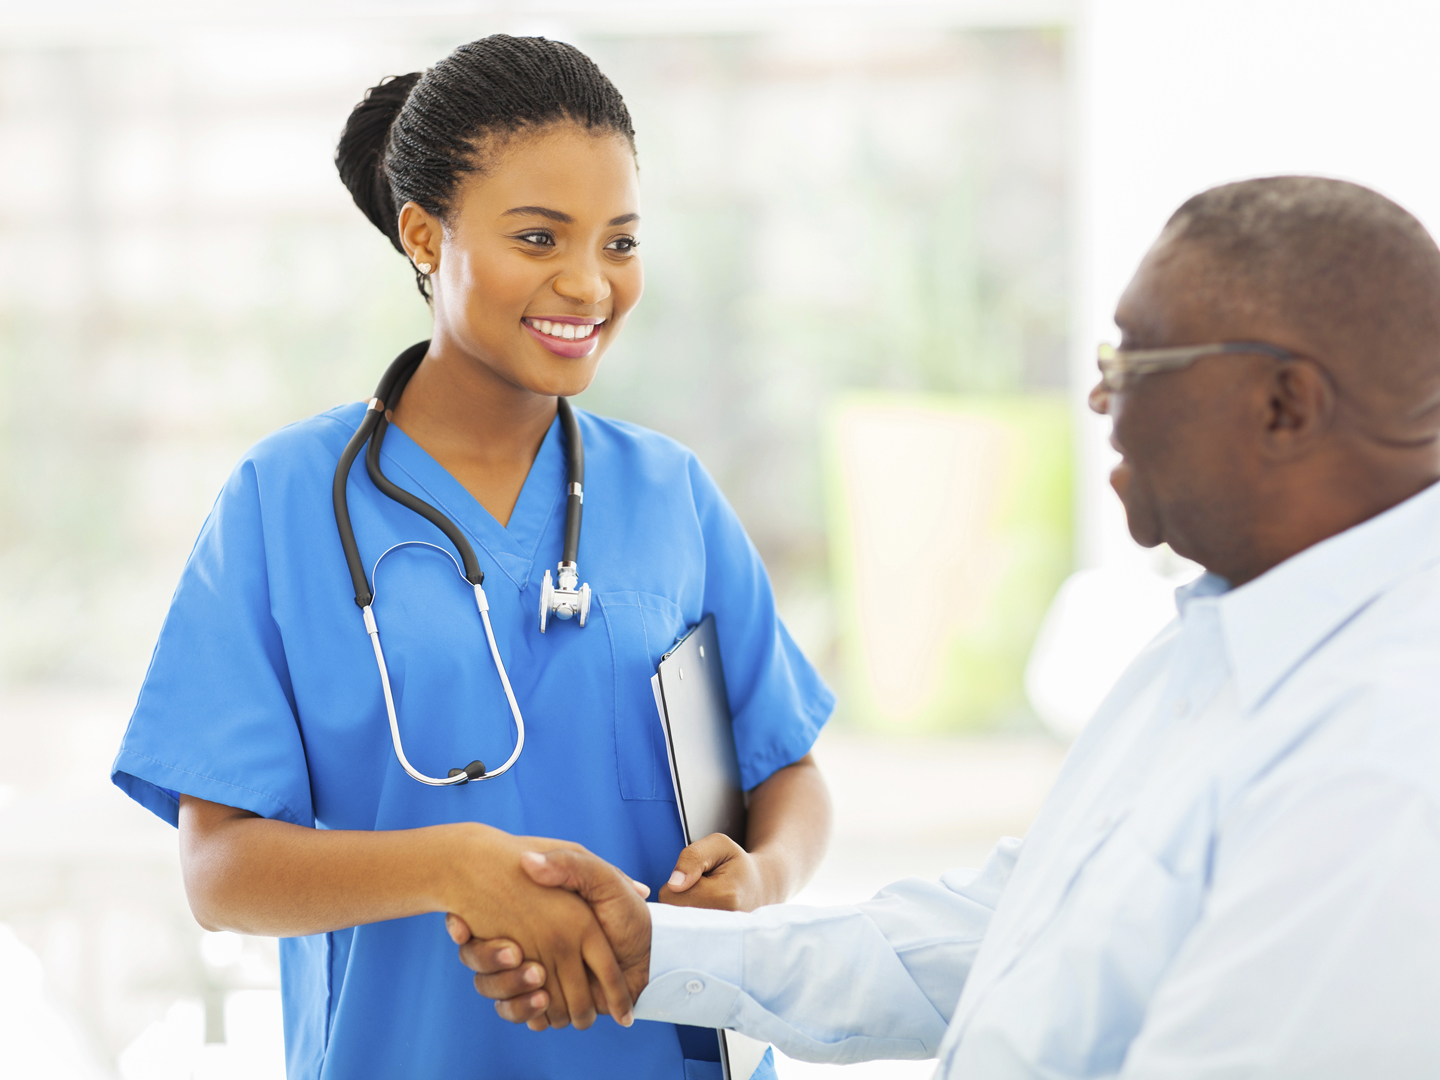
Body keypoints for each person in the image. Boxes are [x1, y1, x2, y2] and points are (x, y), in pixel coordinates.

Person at [456, 176, 1440, 1077]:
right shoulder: (1209, 645)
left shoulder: (1386, 762)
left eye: (1136, 361)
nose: (1101, 397)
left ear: (1285, 405)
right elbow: (1006, 935)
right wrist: (658, 947)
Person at [109, 35, 834, 1080]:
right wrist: (455, 866)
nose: (588, 284)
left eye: (620, 243)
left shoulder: (669, 492)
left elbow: (790, 773)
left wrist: (760, 881)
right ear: (422, 235)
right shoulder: (284, 501)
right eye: (539, 237)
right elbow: (221, 872)